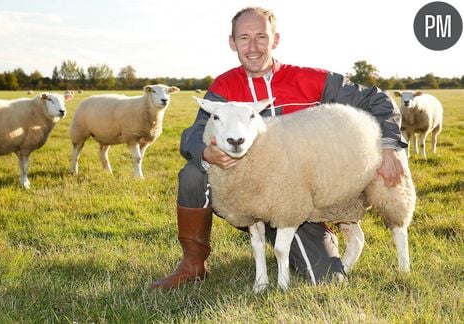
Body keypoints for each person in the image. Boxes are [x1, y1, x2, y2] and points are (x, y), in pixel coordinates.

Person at [150, 7, 407, 289]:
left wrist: (389, 145)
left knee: (326, 277)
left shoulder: (310, 79)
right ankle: (193, 263)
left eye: (261, 36)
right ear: (232, 43)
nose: (253, 46)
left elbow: (376, 99)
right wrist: (205, 152)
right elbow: (195, 133)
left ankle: (321, 229)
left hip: (299, 195)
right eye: (244, 38)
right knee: (193, 173)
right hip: (246, 192)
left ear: (276, 40)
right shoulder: (225, 86)